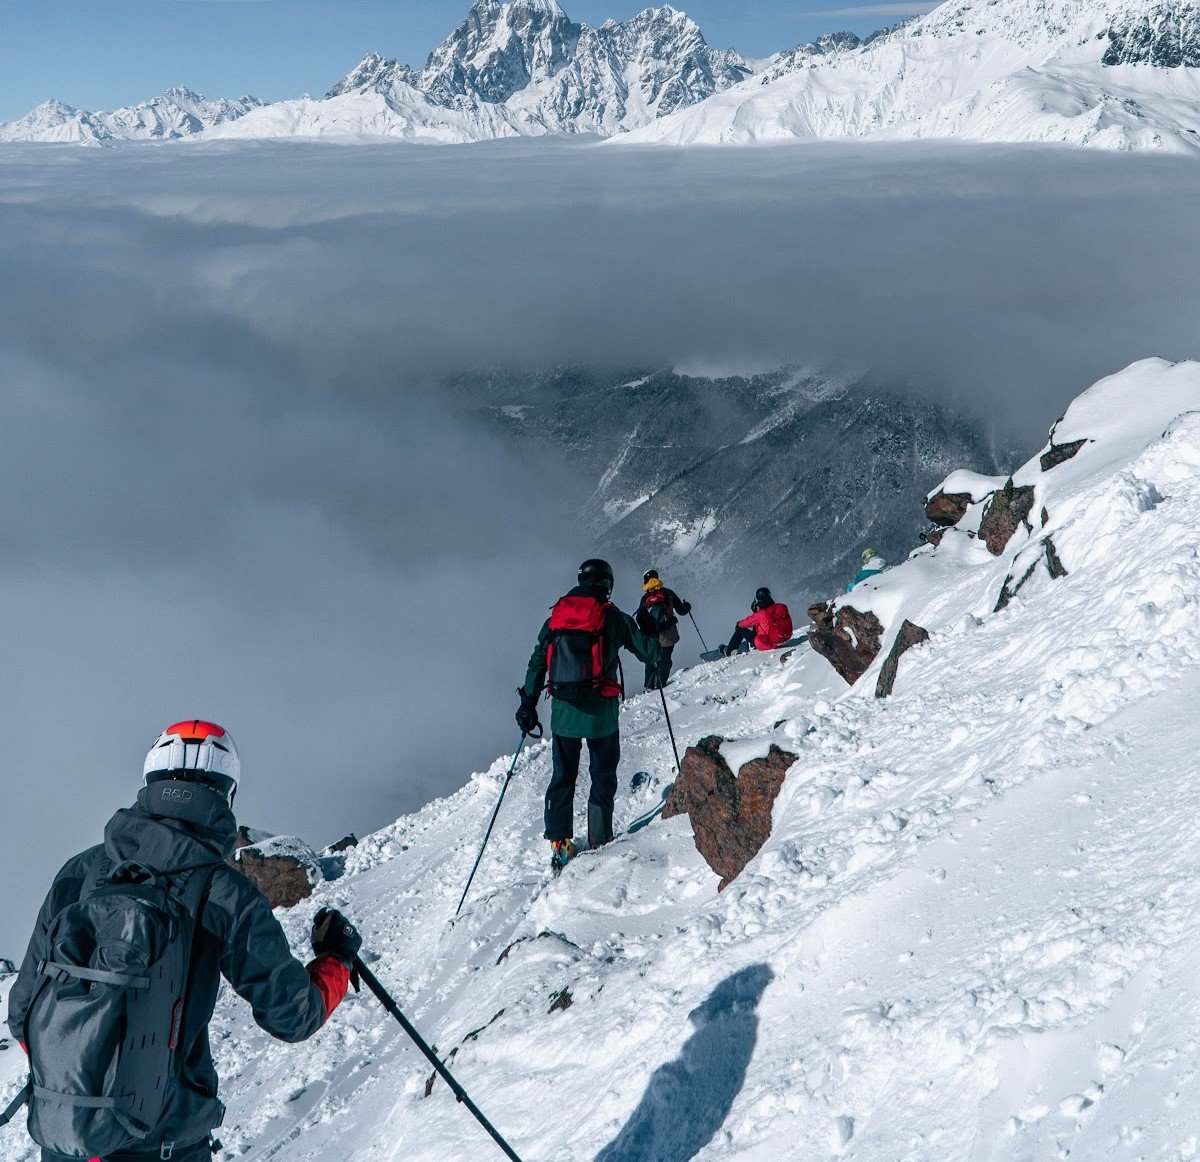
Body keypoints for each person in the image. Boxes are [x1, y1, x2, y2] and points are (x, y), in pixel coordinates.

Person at [5, 719, 361, 1162]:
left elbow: (22, 1012)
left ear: (150, 782)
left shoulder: (80, 872)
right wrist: (337, 959)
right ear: (225, 792)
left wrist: (87, 1078)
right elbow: (293, 1015)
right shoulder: (225, 892)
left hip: (67, 1142)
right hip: (166, 1145)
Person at [517, 559, 659, 870]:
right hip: (601, 717)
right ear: (608, 585)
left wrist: (528, 703)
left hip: (564, 714)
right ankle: (599, 838)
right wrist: (649, 626)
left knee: (563, 776)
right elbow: (650, 654)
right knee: (602, 774)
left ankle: (560, 844)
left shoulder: (557, 617)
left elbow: (537, 662)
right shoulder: (615, 619)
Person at [635, 569, 692, 690]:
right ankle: (660, 685)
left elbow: (640, 618)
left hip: (650, 636)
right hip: (668, 635)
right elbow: (682, 611)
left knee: (651, 660)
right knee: (665, 661)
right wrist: (687, 606)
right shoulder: (668, 593)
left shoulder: (645, 598)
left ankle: (648, 687)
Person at [720, 588, 793, 655]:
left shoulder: (761, 613)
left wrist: (738, 623)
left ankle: (729, 651)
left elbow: (744, 623)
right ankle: (750, 645)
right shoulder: (778, 609)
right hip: (783, 639)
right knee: (760, 626)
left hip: (766, 643)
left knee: (740, 629)